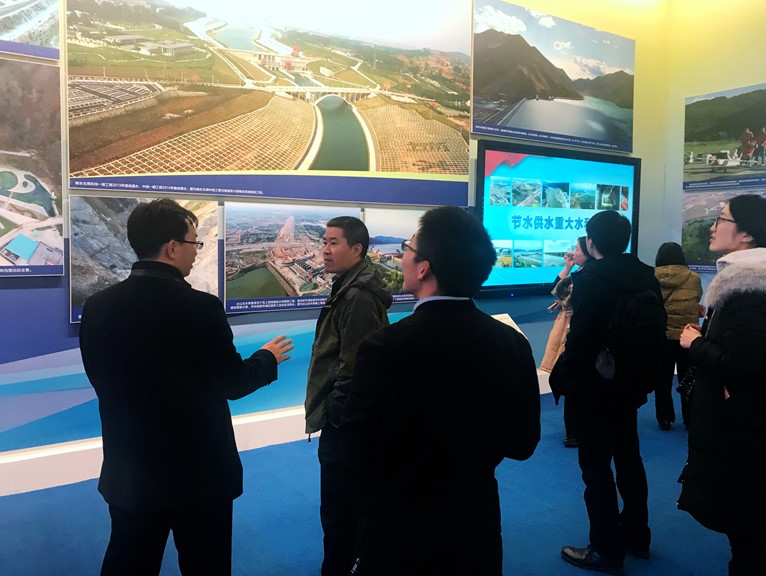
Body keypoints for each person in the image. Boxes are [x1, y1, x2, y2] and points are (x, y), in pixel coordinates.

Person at [79, 198, 294, 576]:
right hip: (199, 477)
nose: (197, 251)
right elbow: (232, 382)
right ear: (172, 247)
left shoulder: (97, 306)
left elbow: (99, 377)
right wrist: (267, 358)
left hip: (130, 473)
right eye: (195, 242)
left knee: (128, 563)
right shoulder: (200, 307)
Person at [338, 206, 541, 576]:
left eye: (407, 248)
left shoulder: (384, 347)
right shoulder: (511, 343)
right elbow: (523, 443)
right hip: (475, 526)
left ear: (424, 268)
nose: (402, 256)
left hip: (400, 528)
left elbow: (355, 449)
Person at [678, 194, 766, 576]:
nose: (713, 226)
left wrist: (696, 343)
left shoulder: (746, 289)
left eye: (722, 218)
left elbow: (740, 365)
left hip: (747, 433)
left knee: (747, 533)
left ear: (747, 234)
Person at [552, 210, 661, 574]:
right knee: (630, 459)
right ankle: (637, 536)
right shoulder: (645, 274)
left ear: (591, 241)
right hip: (631, 384)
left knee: (596, 468)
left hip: (595, 387)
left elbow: (582, 339)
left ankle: (605, 549)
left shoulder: (592, 278)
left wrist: (564, 379)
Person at [304, 215, 392, 576]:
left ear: (356, 250)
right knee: (343, 510)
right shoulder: (348, 286)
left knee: (341, 512)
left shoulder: (358, 296)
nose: (325, 250)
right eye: (324, 242)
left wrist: (338, 422)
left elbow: (353, 368)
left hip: (345, 425)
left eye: (334, 243)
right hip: (344, 420)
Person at [540, 236, 595, 447]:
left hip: (575, 332)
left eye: (577, 249)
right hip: (572, 330)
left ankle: (574, 432)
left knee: (574, 382)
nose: (573, 252)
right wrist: (568, 266)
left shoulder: (586, 277)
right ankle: (575, 430)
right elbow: (558, 289)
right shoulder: (581, 274)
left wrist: (568, 268)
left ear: (589, 250)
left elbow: (558, 289)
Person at [653, 242, 703, 431]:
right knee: (688, 379)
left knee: (662, 379)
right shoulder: (694, 278)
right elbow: (697, 298)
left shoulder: (653, 277)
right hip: (687, 335)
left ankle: (664, 418)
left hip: (662, 335)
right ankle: (689, 418)